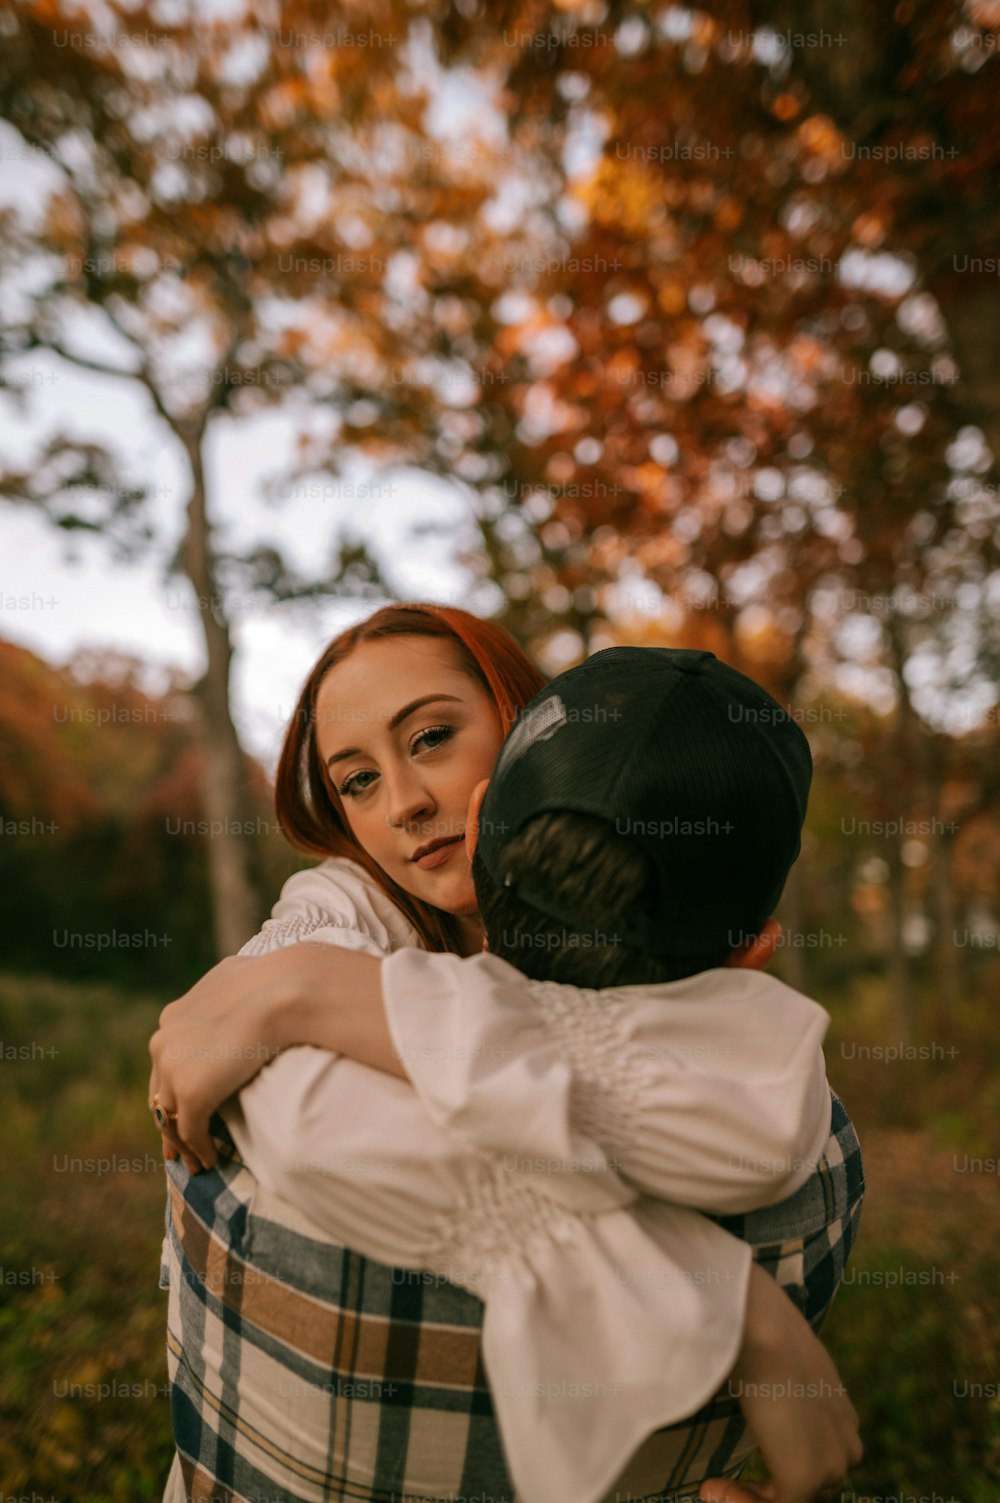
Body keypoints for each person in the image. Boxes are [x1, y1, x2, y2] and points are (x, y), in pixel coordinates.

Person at [152, 615, 864, 1502]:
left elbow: (724, 1117)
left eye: (432, 738)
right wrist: (729, 1301)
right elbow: (296, 1112)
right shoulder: (341, 910)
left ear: (529, 725)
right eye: (359, 782)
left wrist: (315, 995)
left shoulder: (686, 997)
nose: (404, 802)